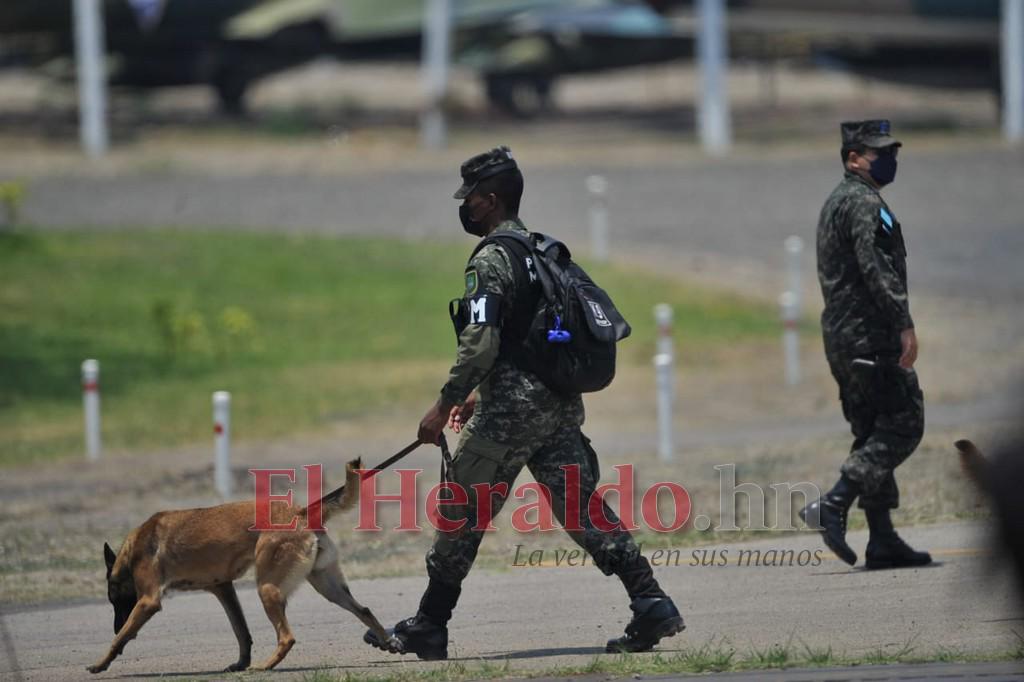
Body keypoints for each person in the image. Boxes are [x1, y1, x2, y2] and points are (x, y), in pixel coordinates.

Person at [363, 146, 684, 660]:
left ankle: (430, 623)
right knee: (580, 507)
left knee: (461, 510)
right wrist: (474, 391)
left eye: (470, 198)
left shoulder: (493, 257)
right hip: (557, 405)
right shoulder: (538, 249)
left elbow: (482, 342)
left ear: (489, 200)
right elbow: (524, 339)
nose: (465, 207)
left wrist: (443, 404)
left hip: (512, 413)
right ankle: (651, 601)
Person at [800, 120, 931, 570]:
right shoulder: (862, 203)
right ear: (853, 158)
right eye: (878, 152)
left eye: (891, 151)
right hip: (868, 333)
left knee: (872, 427)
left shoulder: (841, 200)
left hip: (842, 333)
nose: (888, 159)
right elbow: (876, 268)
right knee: (904, 421)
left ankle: (882, 537)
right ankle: (834, 503)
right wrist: (903, 324)